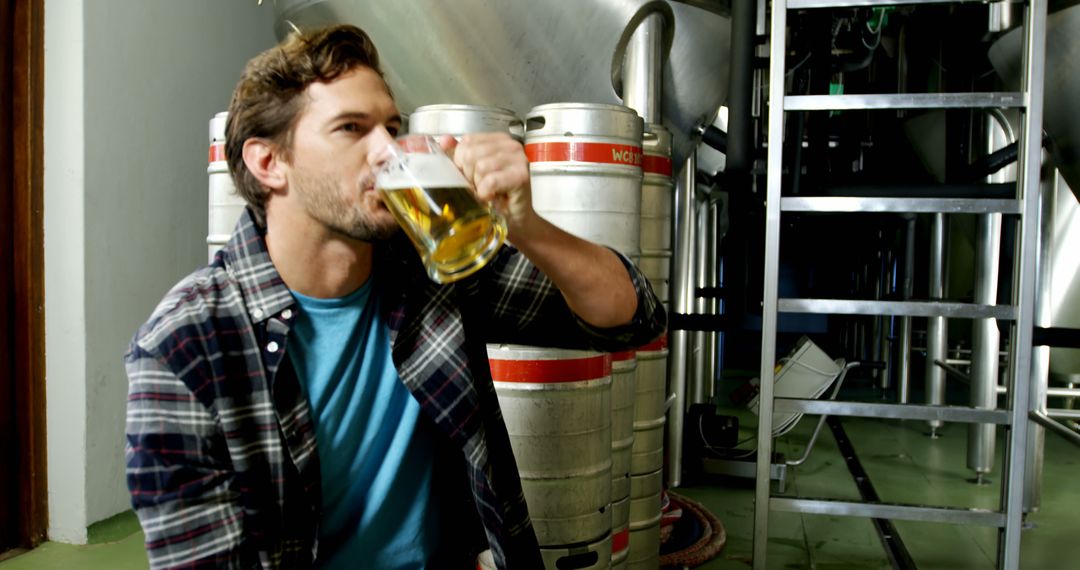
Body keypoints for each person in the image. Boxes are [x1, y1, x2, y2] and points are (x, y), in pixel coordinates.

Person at [124, 24, 665, 570]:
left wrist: (526, 226)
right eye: (350, 129)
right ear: (269, 163)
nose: (387, 151)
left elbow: (632, 318)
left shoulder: (432, 266)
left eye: (391, 127)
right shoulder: (183, 348)